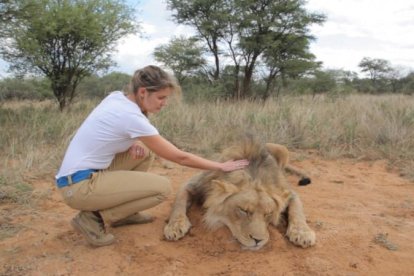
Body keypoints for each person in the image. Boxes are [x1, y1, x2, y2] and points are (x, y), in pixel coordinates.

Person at [55, 65, 249, 247]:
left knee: (144, 152)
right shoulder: (131, 117)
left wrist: (135, 142)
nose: (164, 103)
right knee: (162, 189)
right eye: (161, 97)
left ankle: (124, 214)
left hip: (76, 178)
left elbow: (113, 131)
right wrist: (220, 166)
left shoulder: (116, 98)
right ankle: (94, 219)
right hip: (79, 187)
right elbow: (179, 157)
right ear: (142, 92)